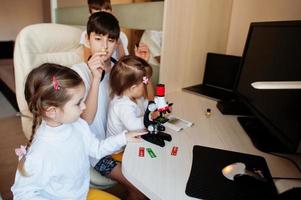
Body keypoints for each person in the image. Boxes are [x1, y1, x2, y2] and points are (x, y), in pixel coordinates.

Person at [11, 63, 145, 200]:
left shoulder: (78, 125)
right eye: (78, 103)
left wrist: (124, 137)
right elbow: (22, 194)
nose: (84, 106)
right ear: (52, 111)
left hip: (81, 194)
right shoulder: (41, 152)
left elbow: (96, 149)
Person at [72, 12, 149, 200]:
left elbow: (146, 101)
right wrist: (96, 78)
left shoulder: (118, 70)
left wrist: (143, 69)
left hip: (122, 142)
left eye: (111, 40)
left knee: (153, 176)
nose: (105, 47)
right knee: (142, 188)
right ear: (88, 39)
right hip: (97, 153)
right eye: (98, 39)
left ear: (117, 43)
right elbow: (86, 119)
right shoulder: (78, 74)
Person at [107, 55, 157, 137]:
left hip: (130, 140)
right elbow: (133, 126)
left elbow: (146, 105)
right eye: (144, 84)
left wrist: (158, 107)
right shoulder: (122, 104)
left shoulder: (134, 96)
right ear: (133, 88)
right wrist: (151, 117)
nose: (146, 86)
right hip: (121, 148)